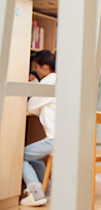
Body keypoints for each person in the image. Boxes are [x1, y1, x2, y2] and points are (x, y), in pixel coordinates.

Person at [20, 50, 56, 207]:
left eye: (37, 67)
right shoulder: (58, 79)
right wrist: (36, 85)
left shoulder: (49, 81)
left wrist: (35, 86)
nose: (37, 71)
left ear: (45, 68)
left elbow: (31, 106)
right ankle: (43, 188)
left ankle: (36, 194)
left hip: (55, 139)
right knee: (33, 156)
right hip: (65, 137)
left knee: (20, 156)